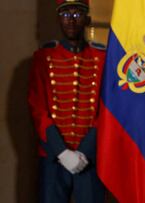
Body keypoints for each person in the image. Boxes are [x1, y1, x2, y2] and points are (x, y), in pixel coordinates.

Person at [27, 0, 106, 202]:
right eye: (65, 15)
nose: (71, 21)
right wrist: (62, 152)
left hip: (89, 157)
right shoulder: (44, 57)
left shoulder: (102, 57)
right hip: (53, 156)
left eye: (77, 14)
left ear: (87, 19)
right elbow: (38, 109)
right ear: (58, 19)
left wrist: (85, 150)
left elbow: (107, 110)